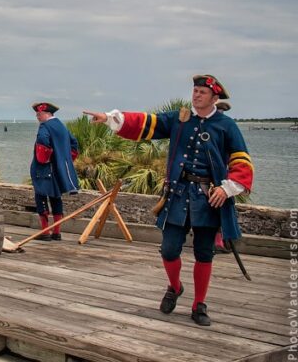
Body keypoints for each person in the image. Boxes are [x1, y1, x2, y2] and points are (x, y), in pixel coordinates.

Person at [84, 74, 253, 327]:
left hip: (208, 199)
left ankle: (199, 305)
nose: (196, 95)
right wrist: (110, 118)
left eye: (202, 92)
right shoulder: (179, 119)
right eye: (195, 90)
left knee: (204, 253)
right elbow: (146, 123)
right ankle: (175, 287)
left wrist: (226, 189)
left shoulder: (226, 126)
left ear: (215, 97)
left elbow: (242, 162)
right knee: (169, 249)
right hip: (177, 194)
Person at [29, 102, 79, 240]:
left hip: (44, 169)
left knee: (41, 196)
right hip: (58, 169)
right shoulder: (62, 126)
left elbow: (43, 142)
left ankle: (45, 232)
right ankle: (57, 233)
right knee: (56, 197)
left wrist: (43, 160)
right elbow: (74, 145)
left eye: (39, 114)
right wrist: (64, 160)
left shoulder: (45, 126)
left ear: (47, 113)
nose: (37, 117)